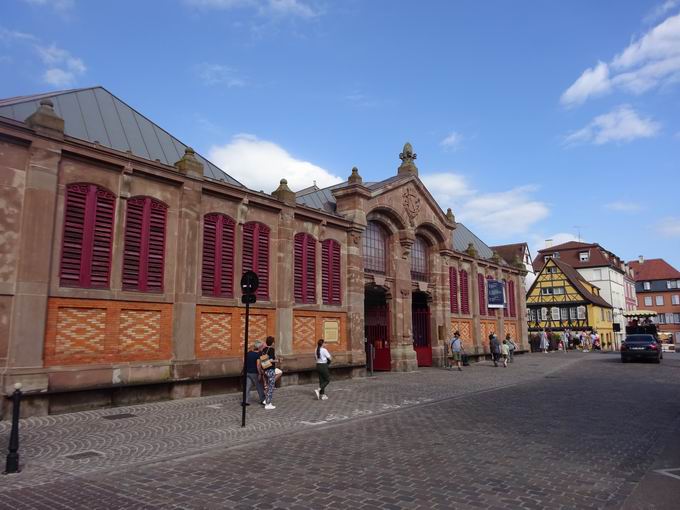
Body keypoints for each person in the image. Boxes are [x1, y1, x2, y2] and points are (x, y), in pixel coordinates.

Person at [244, 340, 266, 406]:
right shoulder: (258, 355)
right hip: (254, 373)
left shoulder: (248, 353)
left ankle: (245, 401)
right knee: (259, 387)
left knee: (247, 387)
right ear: (259, 348)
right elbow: (258, 365)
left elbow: (244, 362)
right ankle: (263, 400)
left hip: (247, 372)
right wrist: (259, 373)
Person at [259, 336, 277, 410]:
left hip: (265, 369)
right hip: (270, 369)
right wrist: (277, 361)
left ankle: (266, 400)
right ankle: (268, 403)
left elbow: (263, 359)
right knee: (271, 387)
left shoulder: (264, 349)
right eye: (273, 341)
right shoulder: (271, 349)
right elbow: (271, 360)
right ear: (272, 342)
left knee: (268, 386)